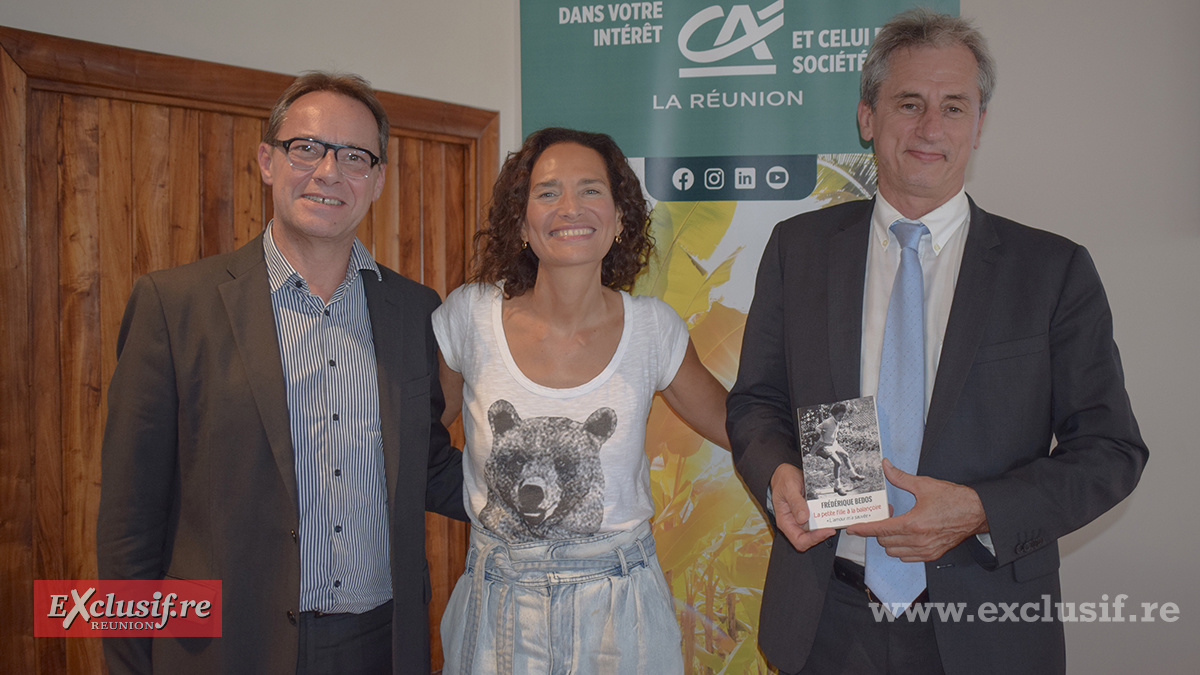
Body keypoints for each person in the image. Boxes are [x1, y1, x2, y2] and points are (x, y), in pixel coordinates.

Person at [726, 9, 1147, 675]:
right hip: (825, 619)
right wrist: (779, 471)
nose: (930, 128)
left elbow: (1111, 451)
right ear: (868, 116)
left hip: (987, 627)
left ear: (979, 126)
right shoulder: (798, 251)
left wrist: (979, 510)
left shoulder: (1052, 271)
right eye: (909, 103)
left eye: (954, 107)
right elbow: (756, 403)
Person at [96, 71, 466, 675]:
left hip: (379, 644)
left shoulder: (415, 311)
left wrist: (537, 489)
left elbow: (423, 465)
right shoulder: (175, 304)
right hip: (222, 649)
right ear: (268, 161)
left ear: (376, 180)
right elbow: (129, 521)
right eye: (307, 148)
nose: (328, 172)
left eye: (354, 156)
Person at [433, 127, 729, 674]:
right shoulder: (469, 317)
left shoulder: (652, 329)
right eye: (547, 193)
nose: (569, 207)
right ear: (521, 222)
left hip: (621, 609)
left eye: (591, 190)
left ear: (619, 220)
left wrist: (842, 450)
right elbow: (415, 435)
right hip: (498, 605)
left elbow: (741, 426)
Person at [808, 403, 862, 496]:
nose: (841, 418)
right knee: (838, 463)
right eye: (840, 416)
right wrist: (821, 432)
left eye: (842, 416)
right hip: (826, 445)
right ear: (834, 414)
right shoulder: (827, 422)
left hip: (834, 444)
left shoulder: (837, 421)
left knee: (846, 455)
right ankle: (837, 486)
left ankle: (852, 475)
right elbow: (817, 428)